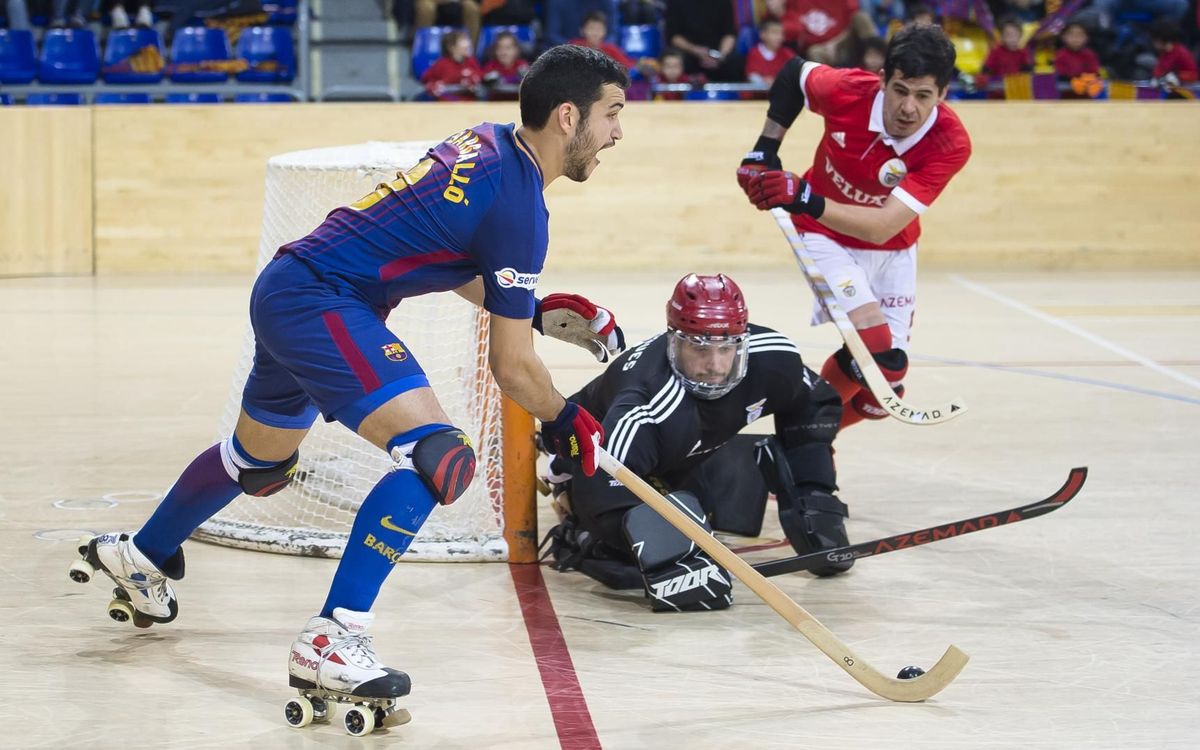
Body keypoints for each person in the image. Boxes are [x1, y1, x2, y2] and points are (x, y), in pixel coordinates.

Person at [69, 44, 629, 722]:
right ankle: (334, 638)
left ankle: (141, 554)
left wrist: (532, 310)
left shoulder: (481, 143)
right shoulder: (521, 209)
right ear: (568, 117)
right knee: (441, 457)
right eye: (612, 115)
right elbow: (511, 369)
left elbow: (449, 257)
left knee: (258, 463)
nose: (616, 134)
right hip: (325, 303)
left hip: (292, 287)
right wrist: (566, 419)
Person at [543, 274, 850, 613]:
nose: (716, 365)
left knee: (704, 518)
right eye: (700, 348)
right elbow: (601, 490)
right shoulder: (644, 407)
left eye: (727, 346)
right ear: (674, 342)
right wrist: (667, 554)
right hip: (590, 459)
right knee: (636, 568)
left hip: (688, 450)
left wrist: (813, 489)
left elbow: (815, 401)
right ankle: (580, 538)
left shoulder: (773, 358)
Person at [735, 24, 971, 431]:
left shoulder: (950, 142)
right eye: (900, 90)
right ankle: (805, 446)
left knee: (887, 384)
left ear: (943, 94)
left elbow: (881, 228)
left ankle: (802, 440)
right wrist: (765, 148)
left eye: (924, 96)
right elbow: (793, 73)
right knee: (873, 345)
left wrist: (802, 196)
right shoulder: (848, 90)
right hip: (822, 234)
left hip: (892, 248)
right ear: (882, 80)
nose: (908, 108)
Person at [665, 0, 743, 82]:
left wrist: (721, 56)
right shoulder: (676, 2)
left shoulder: (724, 2)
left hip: (717, 53)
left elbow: (729, 35)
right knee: (676, 61)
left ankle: (731, 94)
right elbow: (674, 37)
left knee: (736, 62)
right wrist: (696, 50)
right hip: (689, 52)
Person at [420, 29, 483, 101]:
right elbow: (426, 79)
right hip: (447, 103)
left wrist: (473, 78)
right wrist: (433, 85)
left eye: (467, 40)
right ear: (451, 47)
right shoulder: (441, 64)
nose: (467, 43)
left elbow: (480, 76)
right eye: (462, 40)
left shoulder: (471, 61)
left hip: (469, 103)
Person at [570, 10, 635, 68]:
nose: (595, 33)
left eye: (599, 29)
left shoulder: (611, 49)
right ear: (582, 30)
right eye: (591, 28)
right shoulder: (574, 47)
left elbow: (627, 67)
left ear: (605, 31)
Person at [745, 18, 796, 87]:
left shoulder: (788, 54)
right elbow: (752, 76)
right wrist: (763, 81)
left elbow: (795, 74)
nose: (779, 37)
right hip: (758, 95)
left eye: (781, 33)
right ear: (762, 34)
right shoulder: (754, 53)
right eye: (774, 33)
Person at [481, 29, 530, 99]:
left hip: (517, 105)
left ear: (516, 50)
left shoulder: (522, 66)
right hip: (495, 105)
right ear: (494, 51)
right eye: (500, 48)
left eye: (508, 48)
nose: (504, 52)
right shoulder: (490, 67)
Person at [1149, 17, 1198, 85]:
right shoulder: (1164, 53)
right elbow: (1158, 71)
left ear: (1162, 39)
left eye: (1155, 40)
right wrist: (1158, 78)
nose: (1153, 43)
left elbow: (1194, 75)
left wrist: (1177, 75)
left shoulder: (1181, 53)